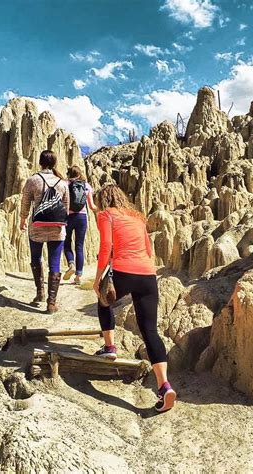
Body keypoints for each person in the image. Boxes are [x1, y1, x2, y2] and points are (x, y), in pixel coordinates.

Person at [92, 184, 176, 413]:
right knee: (150, 331)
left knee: (103, 300)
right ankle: (164, 386)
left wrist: (98, 278)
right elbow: (148, 250)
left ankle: (109, 346)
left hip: (123, 269)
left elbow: (106, 246)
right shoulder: (137, 218)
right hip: (148, 274)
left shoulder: (106, 215)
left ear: (104, 200)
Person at [20, 150, 70, 314]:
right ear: (55, 163)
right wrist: (63, 223)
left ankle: (40, 292)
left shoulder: (33, 180)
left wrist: (22, 219)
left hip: (37, 227)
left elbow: (26, 201)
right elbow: (66, 207)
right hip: (57, 229)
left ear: (40, 162)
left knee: (36, 259)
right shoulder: (62, 183)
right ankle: (51, 303)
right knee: (55, 263)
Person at [63, 166, 97, 285]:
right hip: (82, 218)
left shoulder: (65, 184)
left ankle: (71, 264)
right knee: (79, 246)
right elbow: (92, 207)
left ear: (69, 174)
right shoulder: (86, 186)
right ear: (79, 174)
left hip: (68, 217)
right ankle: (78, 277)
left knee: (66, 243)